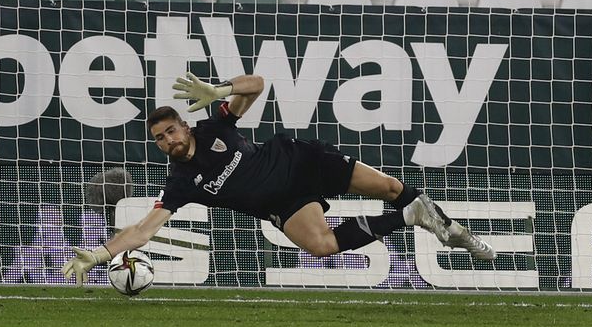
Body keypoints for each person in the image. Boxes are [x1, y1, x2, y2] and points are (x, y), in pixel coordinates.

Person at [62, 72, 494, 282]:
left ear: (185, 126)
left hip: (299, 161)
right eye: (160, 138)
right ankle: (412, 218)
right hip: (284, 204)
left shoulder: (216, 127)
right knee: (322, 246)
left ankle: (453, 230)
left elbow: (257, 85)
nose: (168, 139)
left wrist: (220, 89)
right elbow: (141, 230)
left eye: (171, 129)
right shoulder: (180, 183)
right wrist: (99, 255)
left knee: (389, 187)